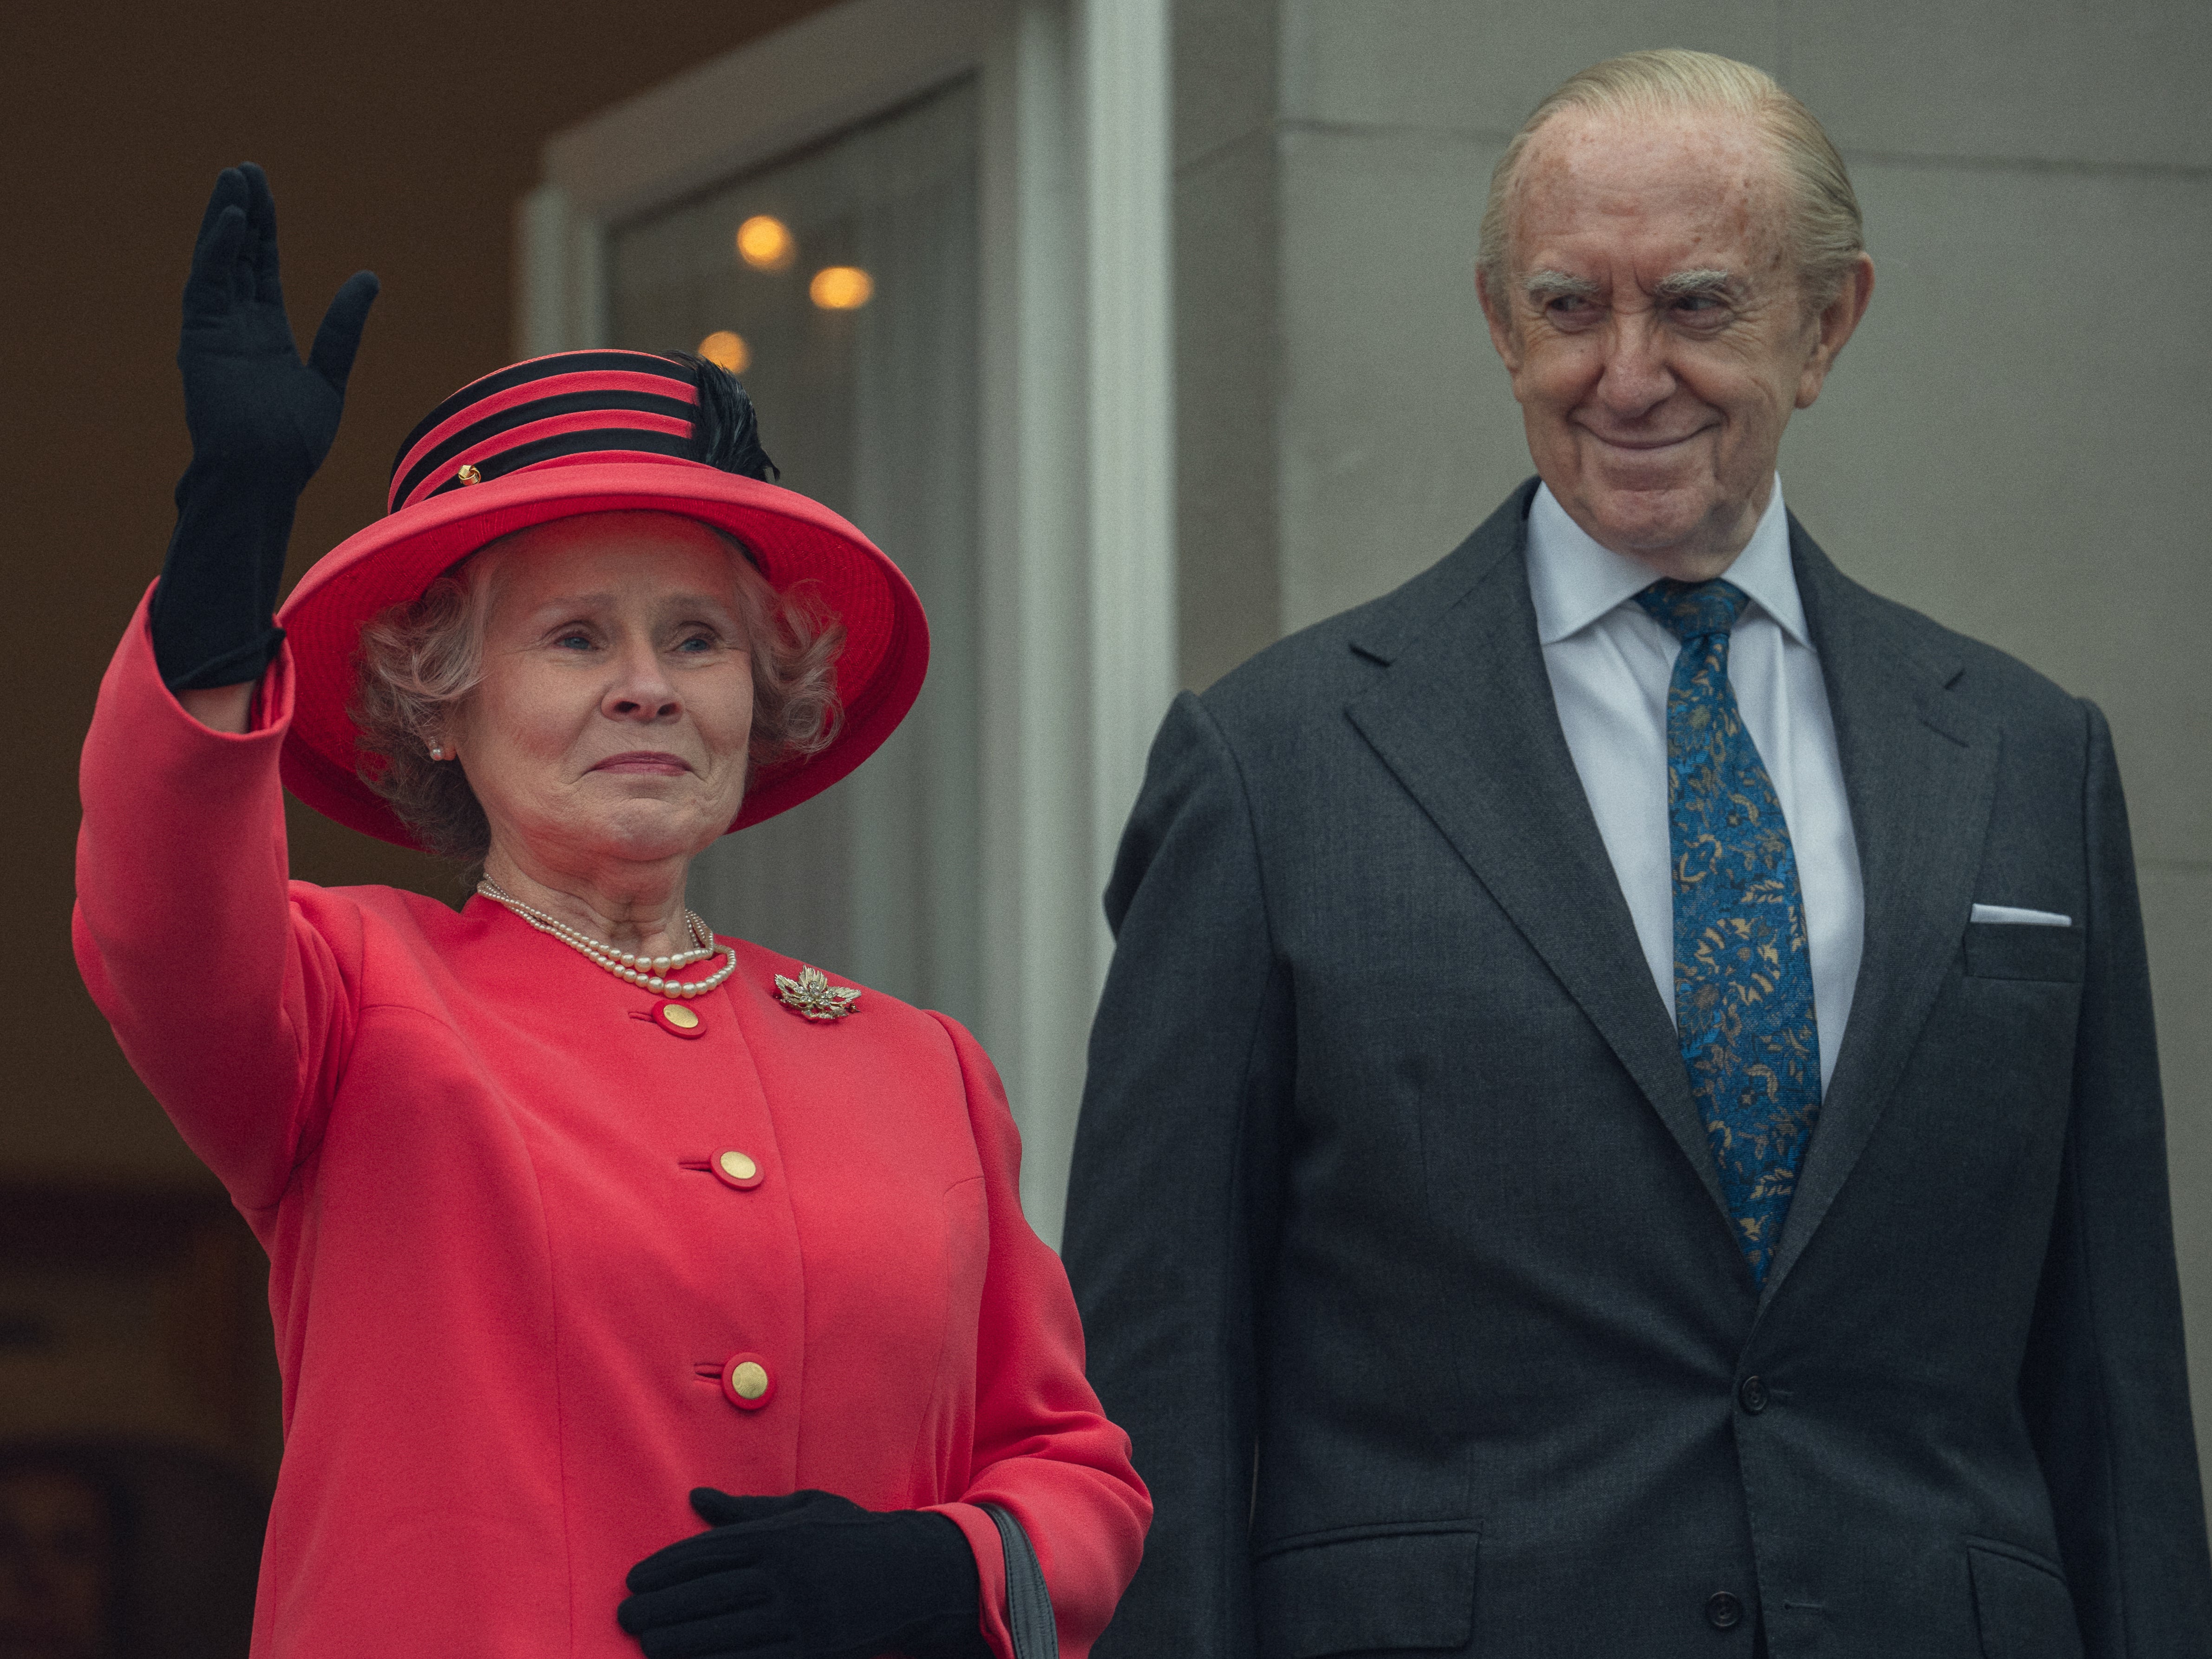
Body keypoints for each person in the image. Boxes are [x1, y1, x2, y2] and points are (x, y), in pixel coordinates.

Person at [1064, 49, 2211, 1659]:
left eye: (1693, 305)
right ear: (1496, 321)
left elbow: (2114, 1374)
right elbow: (1152, 1372)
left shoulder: (2028, 756)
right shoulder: (1273, 765)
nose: (1624, 374)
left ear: (1826, 323)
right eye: (1565, 307)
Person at [72, 164, 1147, 1659]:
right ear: (440, 704)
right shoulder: (346, 999)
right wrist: (222, 557)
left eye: (696, 639)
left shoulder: (922, 1069)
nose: (647, 684)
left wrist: (944, 1568)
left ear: (758, 697)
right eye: (576, 638)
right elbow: (163, 923)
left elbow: (1075, 1468)